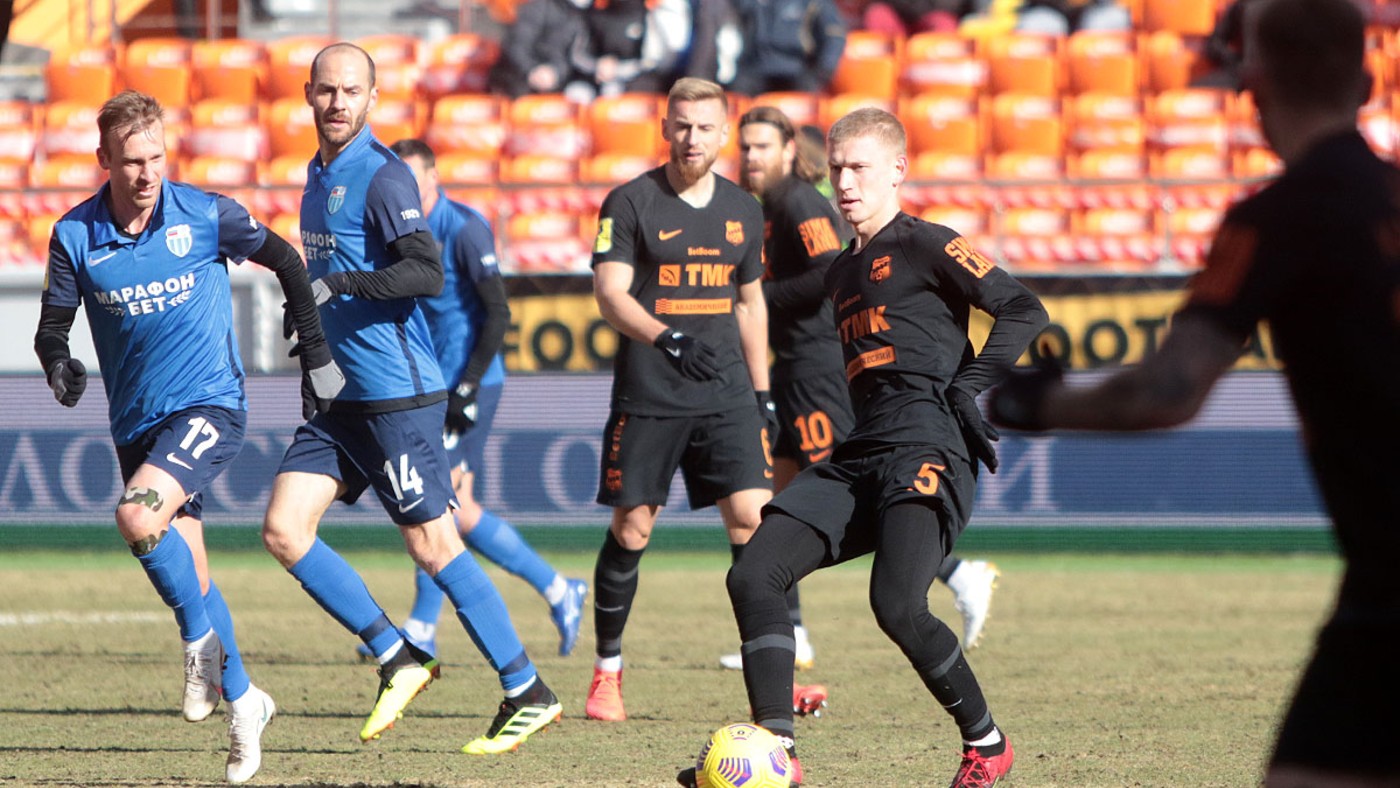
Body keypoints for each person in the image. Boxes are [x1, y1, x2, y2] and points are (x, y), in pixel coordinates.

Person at [989, 1, 1400, 785]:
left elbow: (1166, 390)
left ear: (1254, 83)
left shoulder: (1276, 219)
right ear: (1367, 83)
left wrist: (1026, 404)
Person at [680, 107, 1048, 787]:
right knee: (754, 573)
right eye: (837, 168)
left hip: (929, 444)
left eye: (860, 168)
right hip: (861, 453)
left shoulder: (927, 243)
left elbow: (1024, 308)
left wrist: (967, 388)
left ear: (898, 170)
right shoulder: (841, 272)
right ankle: (777, 753)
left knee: (898, 605)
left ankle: (987, 744)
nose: (845, 182)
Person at [259, 42, 560, 756]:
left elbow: (425, 273)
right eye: (326, 90)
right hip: (342, 400)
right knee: (284, 528)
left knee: (433, 544)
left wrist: (341, 286)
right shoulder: (315, 174)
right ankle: (398, 657)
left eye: (351, 91)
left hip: (397, 396)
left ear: (373, 98)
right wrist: (315, 347)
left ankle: (527, 690)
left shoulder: (384, 174)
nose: (337, 102)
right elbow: (326, 283)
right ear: (308, 95)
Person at [33, 89, 342, 784]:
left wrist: (317, 354)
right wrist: (58, 363)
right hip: (136, 425)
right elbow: (52, 326)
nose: (147, 173)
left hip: (209, 407)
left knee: (137, 516)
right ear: (104, 159)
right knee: (193, 577)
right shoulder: (74, 235)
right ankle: (246, 704)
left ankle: (199, 645)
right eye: (131, 161)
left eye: (156, 157)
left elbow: (289, 262)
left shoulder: (205, 215)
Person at [719, 105, 1003, 679]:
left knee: (844, 498)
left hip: (818, 371)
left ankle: (955, 572)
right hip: (794, 370)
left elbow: (822, 269)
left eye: (762, 147)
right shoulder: (768, 209)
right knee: (781, 503)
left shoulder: (800, 203)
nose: (751, 158)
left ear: (788, 152)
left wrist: (753, 299)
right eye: (744, 147)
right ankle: (793, 630)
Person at [338, 137, 587, 660]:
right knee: (461, 510)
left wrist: (468, 386)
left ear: (433, 178)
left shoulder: (465, 228)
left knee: (437, 502)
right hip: (427, 385)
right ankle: (559, 588)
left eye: (413, 178)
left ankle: (423, 627)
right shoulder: (394, 230)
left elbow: (498, 312)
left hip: (468, 385)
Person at [587, 76, 774, 723]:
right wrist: (666, 339)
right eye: (682, 125)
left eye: (705, 127)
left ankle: (769, 681)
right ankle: (607, 672)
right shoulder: (630, 201)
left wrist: (763, 392)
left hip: (726, 393)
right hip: (651, 391)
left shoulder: (744, 209)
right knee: (633, 527)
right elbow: (610, 293)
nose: (692, 138)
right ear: (665, 128)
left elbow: (750, 304)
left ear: (724, 134)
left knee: (754, 522)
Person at [727, 0, 846, 96]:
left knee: (803, 105)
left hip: (797, 70)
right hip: (754, 69)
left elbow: (834, 37)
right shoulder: (748, 3)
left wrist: (821, 72)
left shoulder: (813, 3)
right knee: (736, 99)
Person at [486, 0, 588, 98]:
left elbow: (574, 55)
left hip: (558, 82)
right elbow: (517, 45)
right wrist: (532, 69)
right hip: (519, 79)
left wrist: (556, 72)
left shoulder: (585, 15)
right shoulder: (539, 7)